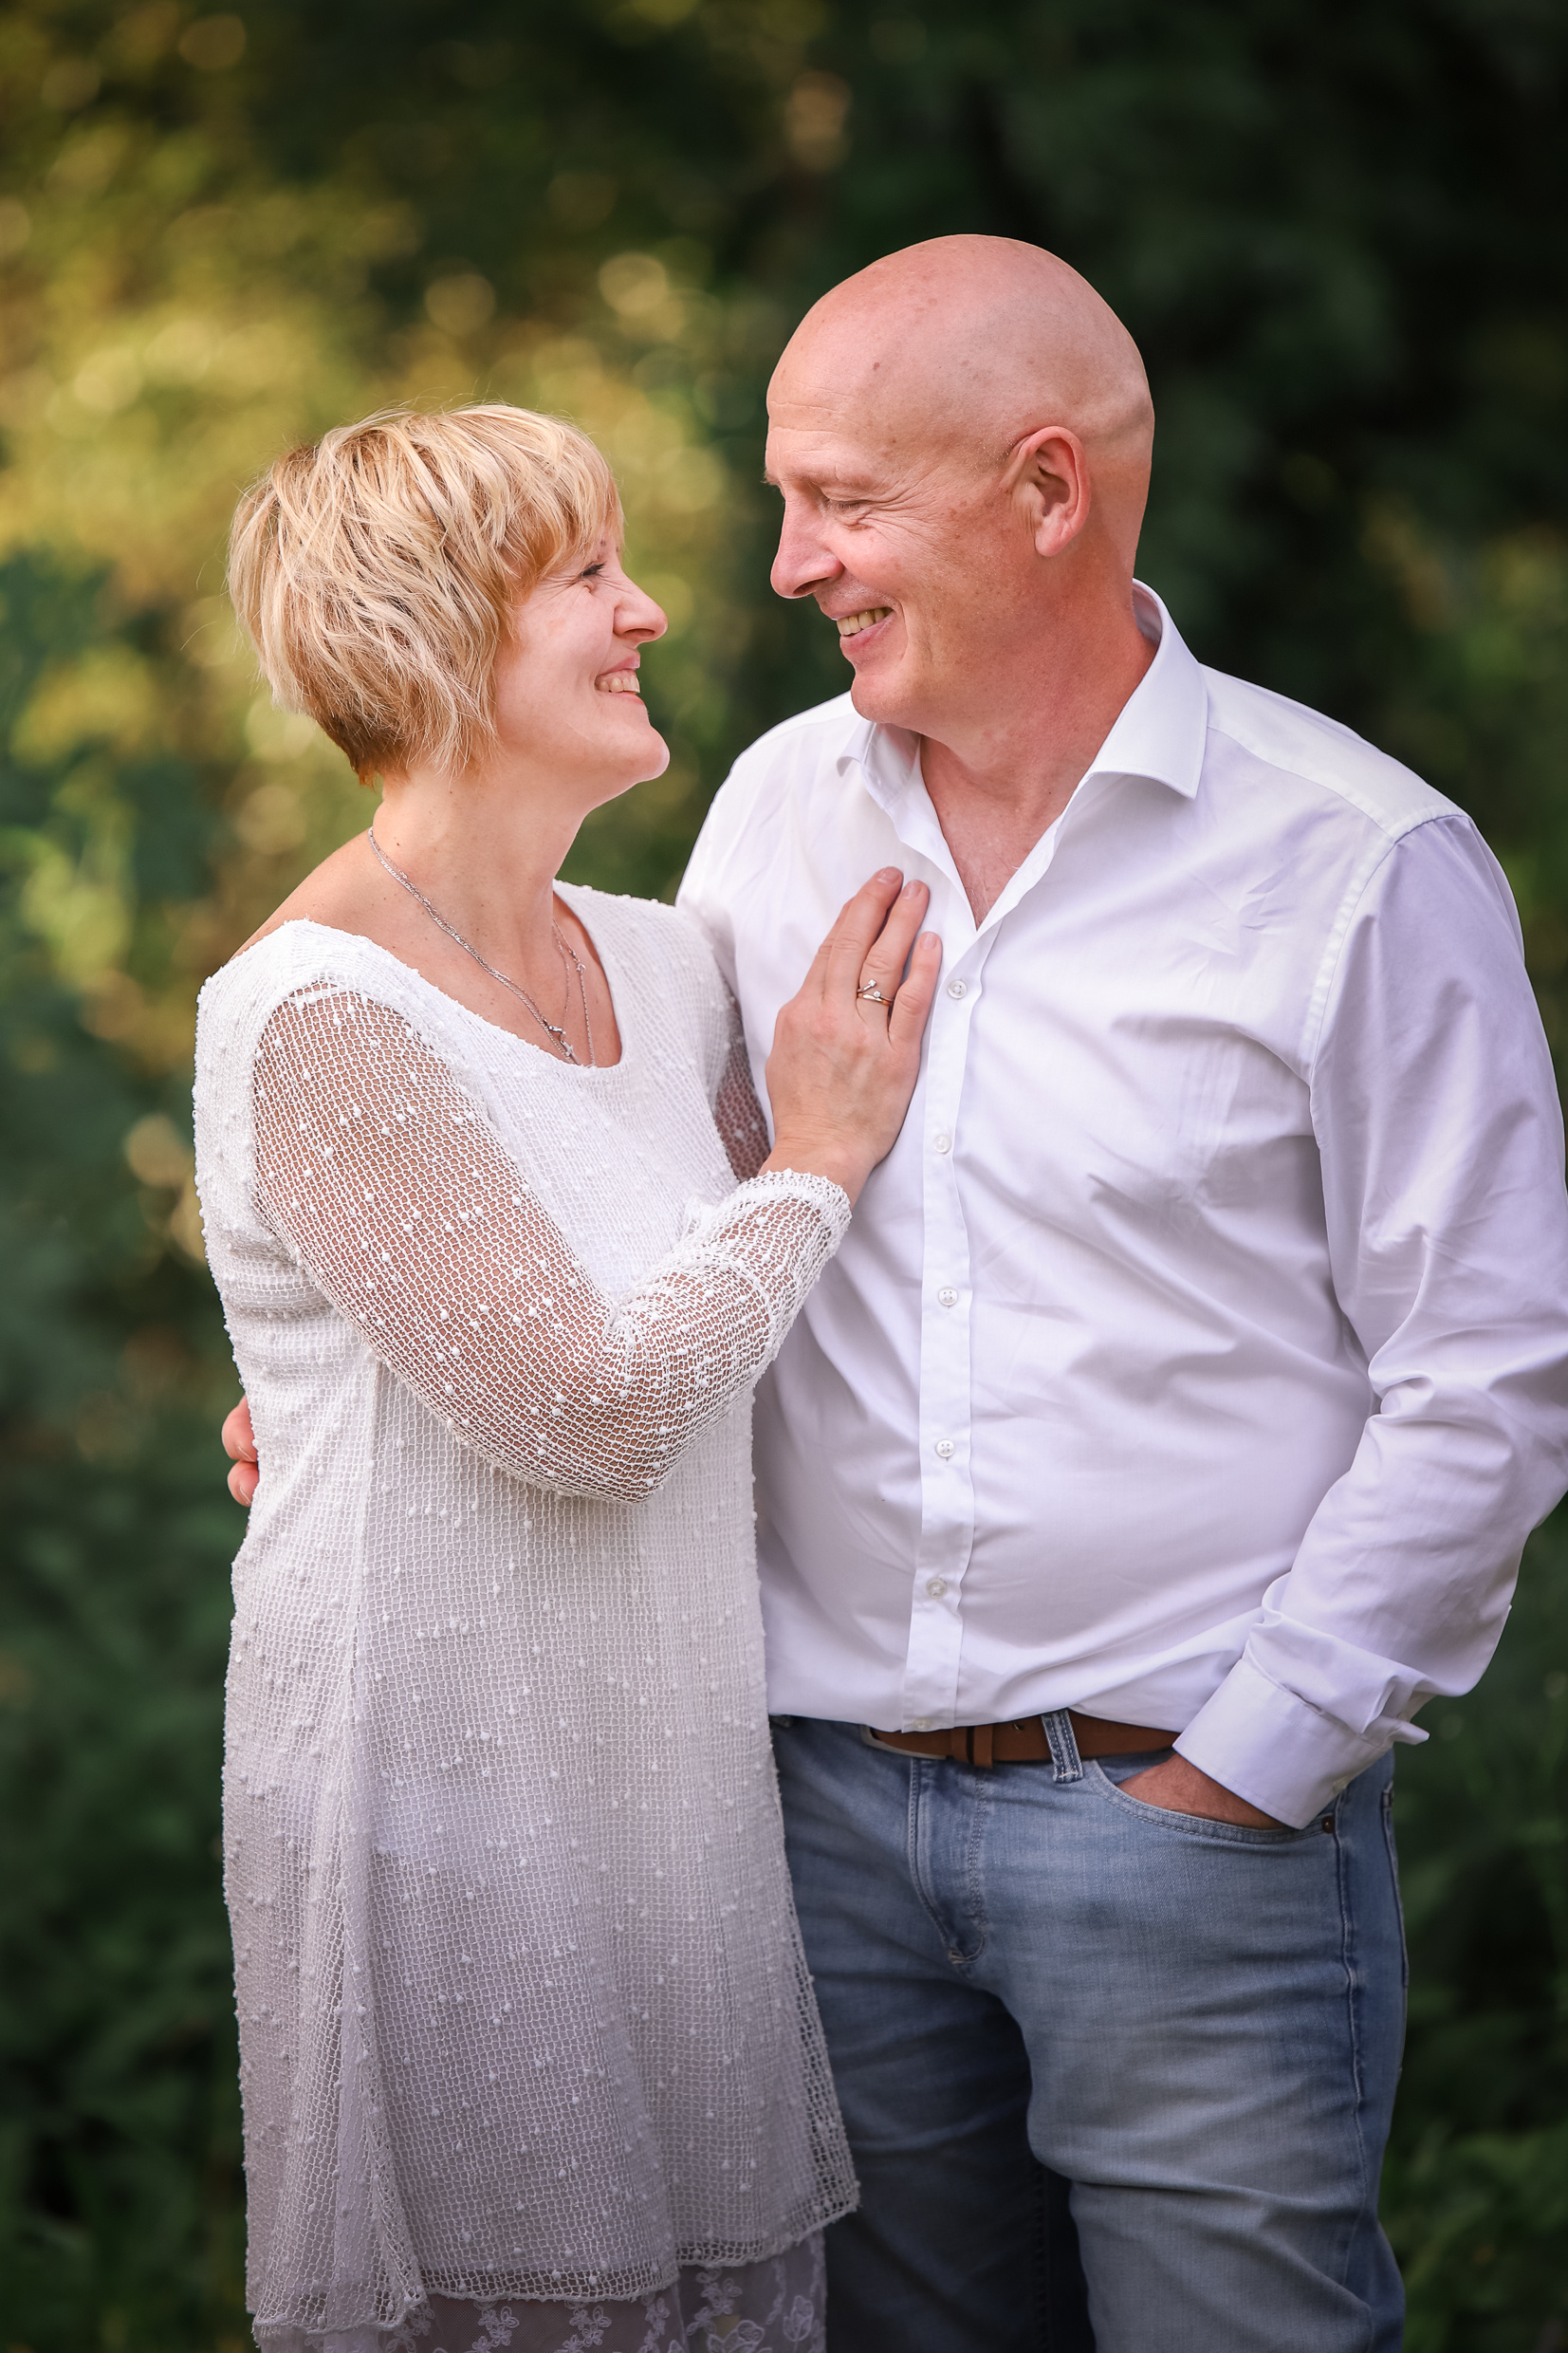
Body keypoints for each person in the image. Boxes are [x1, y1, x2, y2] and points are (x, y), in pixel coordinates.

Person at [223, 240, 1568, 2352]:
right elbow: (647, 1221)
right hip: (805, 1829)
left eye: (838, 501)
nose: (781, 566)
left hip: (1181, 1824)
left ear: (1043, 493)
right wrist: (359, 1395)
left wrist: (1244, 1767)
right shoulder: (764, 813)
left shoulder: (1355, 865)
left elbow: (1483, 1378)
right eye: (777, 501)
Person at [195, 401, 941, 2353]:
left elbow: (723, 1326)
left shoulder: (670, 957)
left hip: (670, 1773)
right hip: (442, 1786)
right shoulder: (309, 1009)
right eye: (589, 578)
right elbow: (600, 1412)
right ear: (439, 635)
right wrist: (822, 1153)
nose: (651, 612)